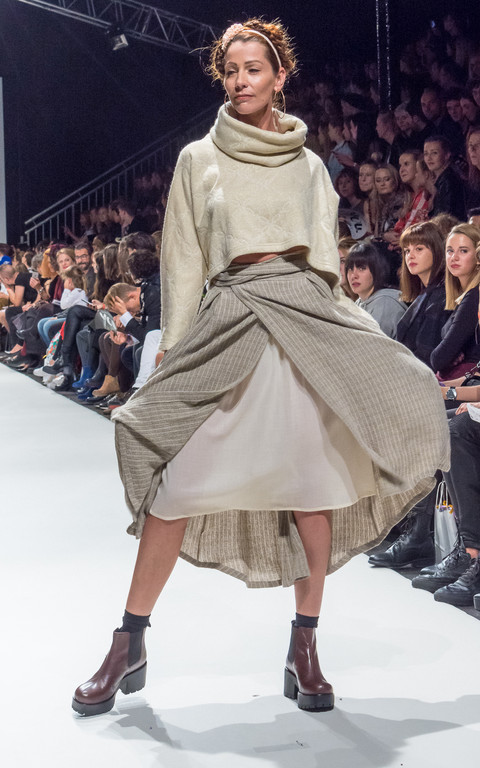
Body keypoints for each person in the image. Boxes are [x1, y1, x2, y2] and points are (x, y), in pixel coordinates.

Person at [72, 18, 448, 719]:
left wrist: (349, 338)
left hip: (302, 320)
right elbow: (184, 260)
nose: (242, 80)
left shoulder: (309, 164)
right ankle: (130, 639)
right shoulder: (199, 158)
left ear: (280, 76)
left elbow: (327, 264)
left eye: (255, 68)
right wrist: (173, 350)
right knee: (177, 487)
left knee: (312, 489)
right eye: (231, 69)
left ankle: (305, 645)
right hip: (231, 316)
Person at [430, 223, 480, 380]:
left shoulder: (475, 296)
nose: (454, 257)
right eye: (450, 251)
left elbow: (438, 359)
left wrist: (447, 357)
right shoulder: (466, 296)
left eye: (463, 251)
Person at [345, 241, 407, 337]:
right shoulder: (360, 302)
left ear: (376, 270)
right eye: (350, 269)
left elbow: (371, 344)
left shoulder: (385, 302)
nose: (354, 275)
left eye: (362, 268)